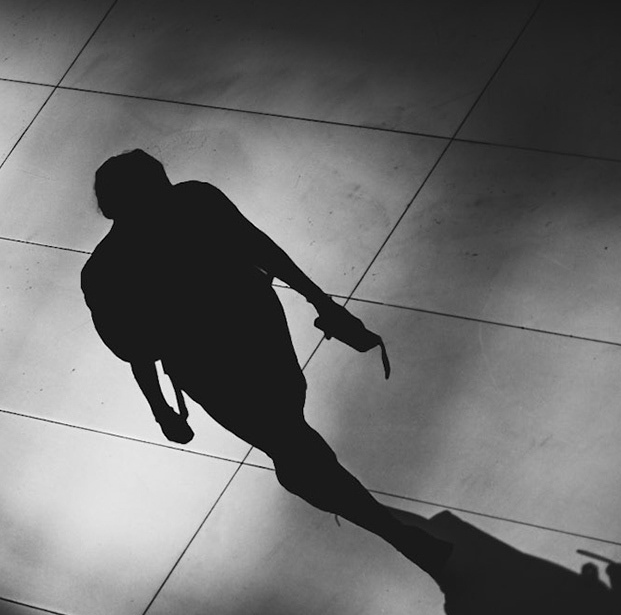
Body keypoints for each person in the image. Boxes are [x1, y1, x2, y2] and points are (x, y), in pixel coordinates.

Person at [82, 149, 451, 580]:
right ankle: (396, 533)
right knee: (292, 436)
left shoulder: (106, 268)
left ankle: (372, 517)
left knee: (289, 439)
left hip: (214, 364)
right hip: (250, 338)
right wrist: (321, 301)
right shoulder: (195, 202)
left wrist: (161, 408)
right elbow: (262, 249)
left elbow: (137, 350)